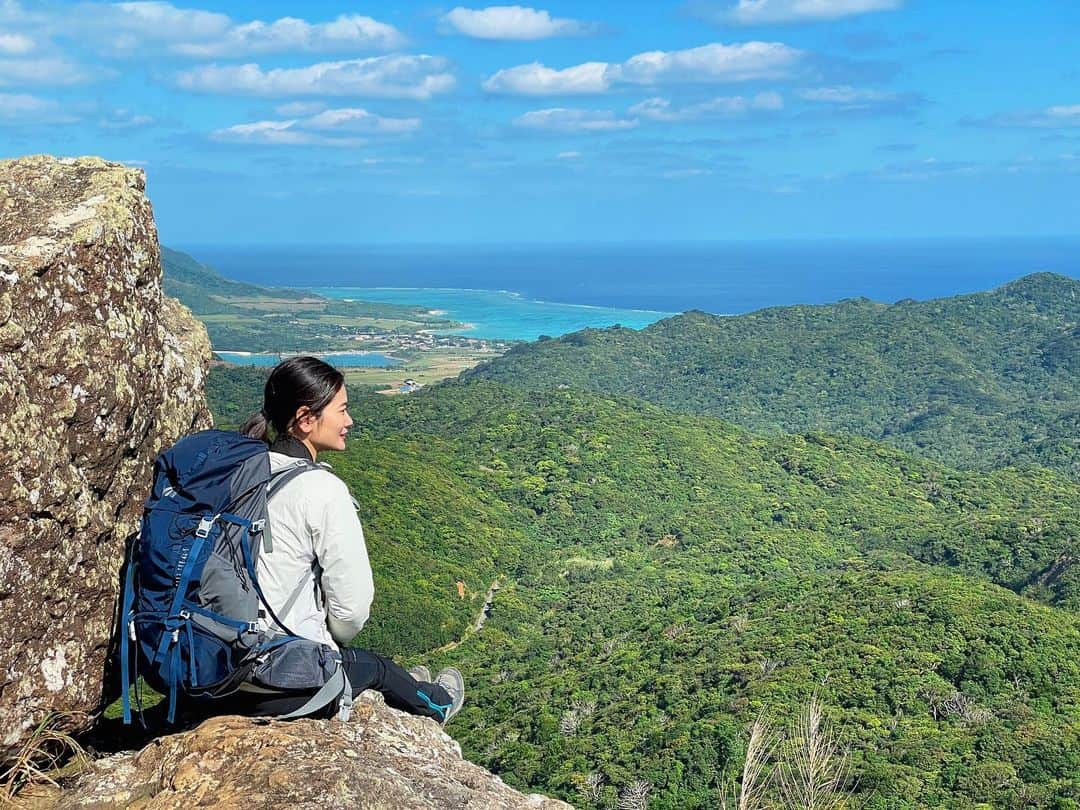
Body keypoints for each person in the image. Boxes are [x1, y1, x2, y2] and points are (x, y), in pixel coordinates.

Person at [236, 355, 464, 724]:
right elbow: (351, 613)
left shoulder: (244, 473)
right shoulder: (322, 489)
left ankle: (414, 686)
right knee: (378, 669)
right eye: (342, 410)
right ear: (307, 419)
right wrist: (330, 632)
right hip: (281, 681)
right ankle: (438, 706)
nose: (349, 421)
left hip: (218, 665)